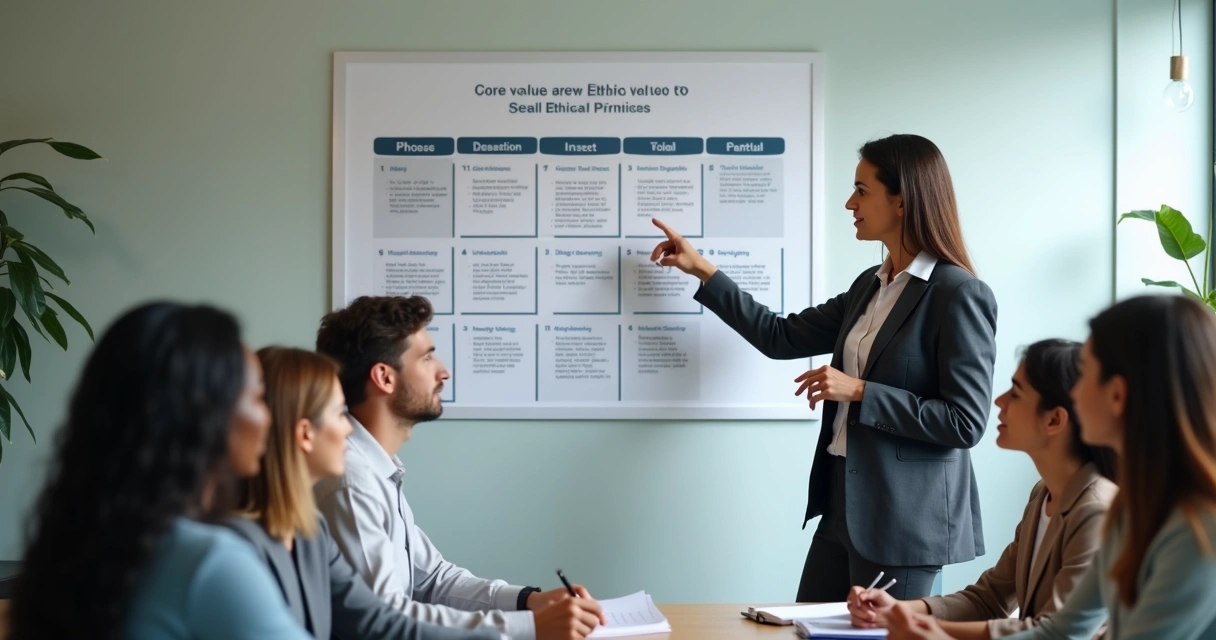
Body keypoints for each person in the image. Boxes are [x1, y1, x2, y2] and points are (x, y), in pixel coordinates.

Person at [650, 133, 998, 600]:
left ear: (901, 201)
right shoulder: (869, 287)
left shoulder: (958, 293)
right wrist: (703, 271)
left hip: (904, 523)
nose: (849, 202)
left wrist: (859, 392)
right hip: (842, 505)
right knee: (805, 630)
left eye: (862, 190)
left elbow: (965, 422)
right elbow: (780, 336)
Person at [888, 294, 1216, 640]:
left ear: (1117, 394)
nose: (1074, 391)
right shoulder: (1131, 509)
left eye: (1086, 372)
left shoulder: (1197, 527)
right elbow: (1061, 632)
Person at [9, 302, 312, 639]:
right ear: (207, 414)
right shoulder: (209, 565)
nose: (269, 417)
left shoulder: (70, 546)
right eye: (258, 397)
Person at [313, 295, 606, 640]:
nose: (443, 371)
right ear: (384, 377)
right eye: (426, 357)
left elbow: (433, 579)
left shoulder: (378, 468)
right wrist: (531, 627)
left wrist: (530, 602)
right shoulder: (352, 480)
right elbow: (385, 617)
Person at [228, 346, 505, 640]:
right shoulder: (234, 550)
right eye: (339, 414)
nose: (349, 428)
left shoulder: (310, 531)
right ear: (305, 433)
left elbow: (376, 619)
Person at [847, 339, 1117, 639]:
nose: (999, 401)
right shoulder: (1044, 494)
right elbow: (989, 599)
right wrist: (902, 610)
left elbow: (1054, 633)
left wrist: (929, 630)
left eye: (1015, 393)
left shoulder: (1097, 511)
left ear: (1054, 419)